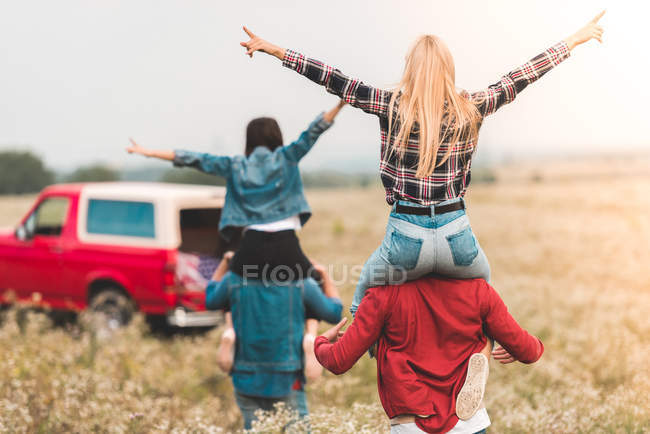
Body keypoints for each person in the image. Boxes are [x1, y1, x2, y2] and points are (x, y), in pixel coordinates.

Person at [238, 10, 605, 419]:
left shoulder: (390, 105)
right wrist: (574, 40)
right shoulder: (472, 108)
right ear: (449, 69)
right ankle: (484, 348)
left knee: (364, 292)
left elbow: (333, 77)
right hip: (457, 236)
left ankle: (363, 343)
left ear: (410, 70)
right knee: (484, 294)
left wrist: (273, 49)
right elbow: (522, 76)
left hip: (405, 238)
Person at [126, 99, 347, 381]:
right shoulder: (287, 157)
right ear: (275, 137)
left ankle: (230, 331)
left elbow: (193, 158)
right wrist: (340, 103)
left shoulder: (235, 165)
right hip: (287, 245)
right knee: (311, 284)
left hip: (250, 244)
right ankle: (309, 335)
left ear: (249, 140)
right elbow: (314, 131)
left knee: (234, 288)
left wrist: (147, 152)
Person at [314, 276, 544, 433]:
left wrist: (321, 342)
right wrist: (523, 346)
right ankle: (483, 350)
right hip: (468, 423)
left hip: (411, 421)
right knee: (482, 338)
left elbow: (338, 361)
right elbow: (529, 351)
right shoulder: (478, 289)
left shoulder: (381, 294)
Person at [205, 251, 343, 430]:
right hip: (287, 376)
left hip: (245, 375)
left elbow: (210, 299)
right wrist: (323, 274)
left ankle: (229, 332)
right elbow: (333, 311)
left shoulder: (234, 278)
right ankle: (310, 334)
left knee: (255, 429)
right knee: (298, 429)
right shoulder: (300, 281)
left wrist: (225, 262)